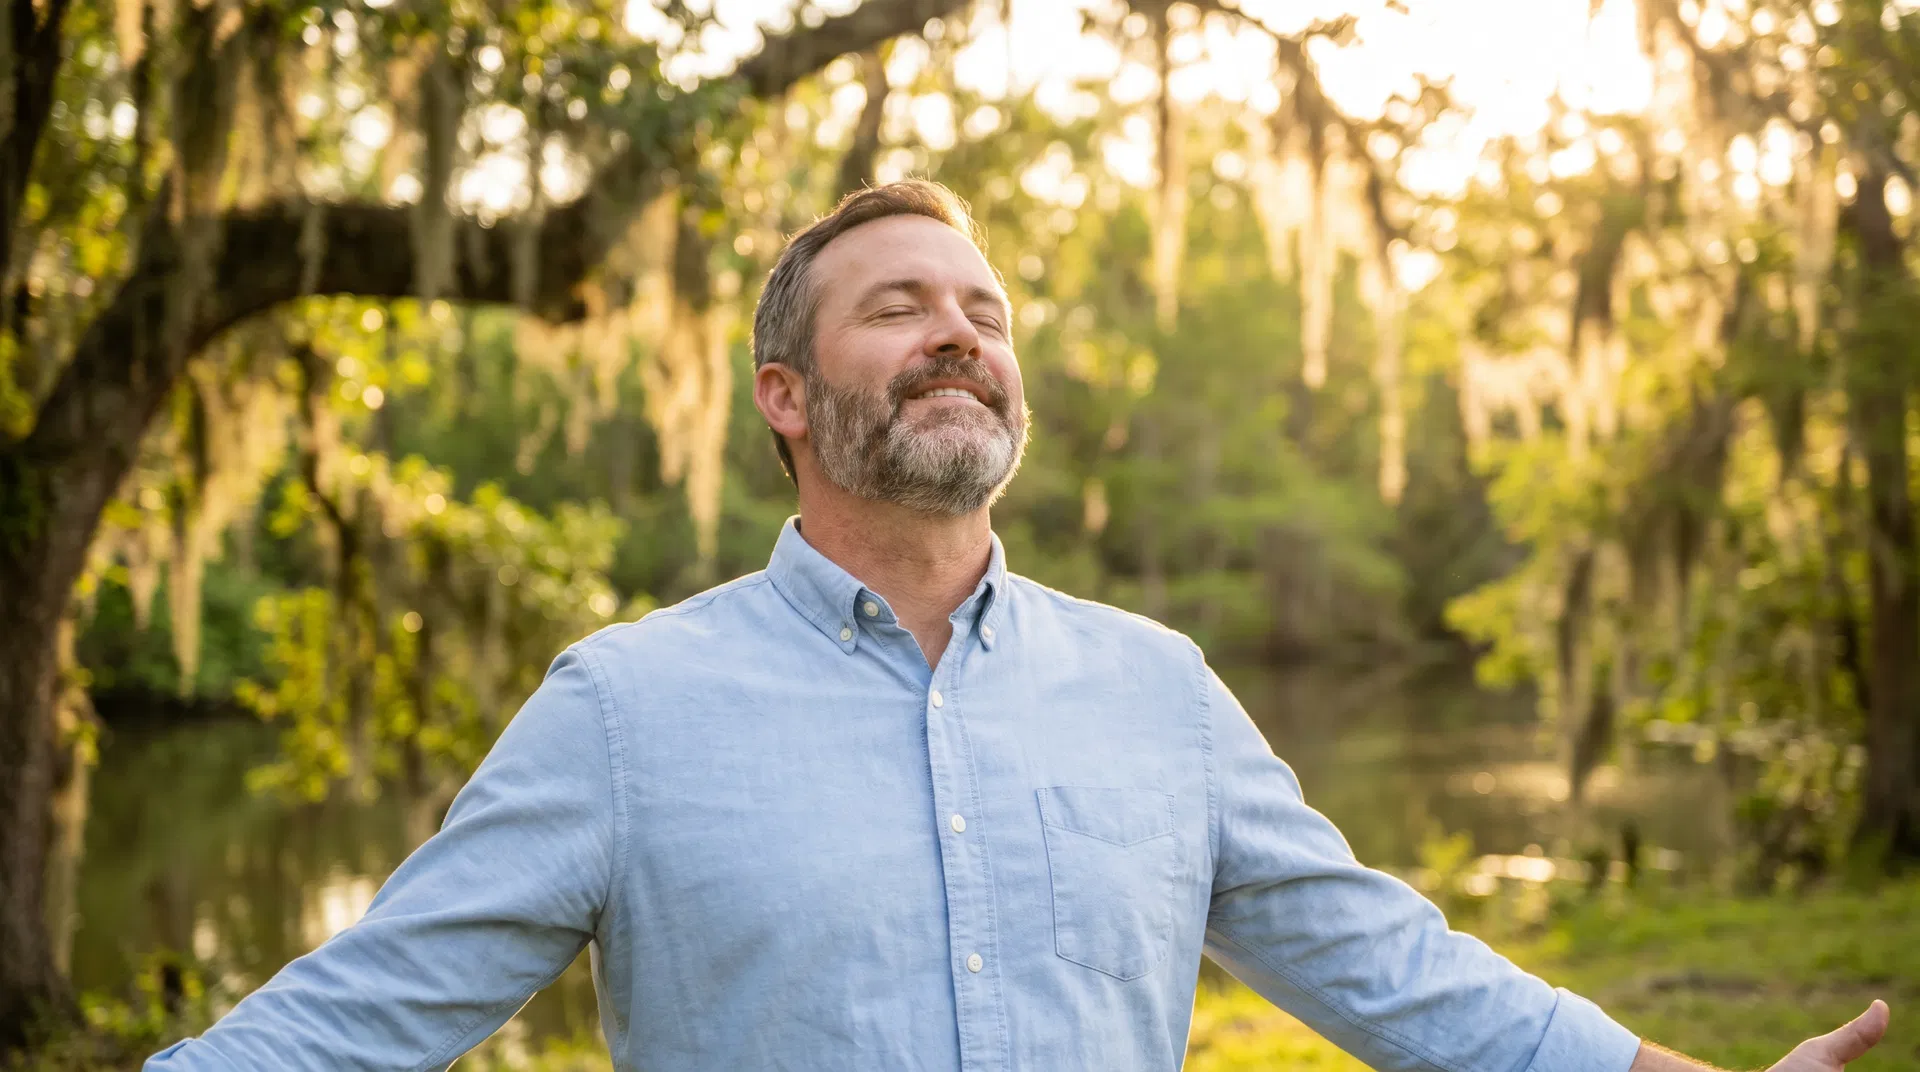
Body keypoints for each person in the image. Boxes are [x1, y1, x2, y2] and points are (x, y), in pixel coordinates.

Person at [146, 180, 1890, 1072]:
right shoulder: (625, 708)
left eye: (983, 310)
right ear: (783, 392)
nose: (959, 334)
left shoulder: (1159, 692)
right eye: (898, 307)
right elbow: (364, 1015)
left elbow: (1400, 974)